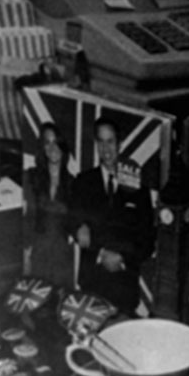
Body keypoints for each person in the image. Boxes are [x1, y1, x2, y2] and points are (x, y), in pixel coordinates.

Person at [69, 117, 155, 317]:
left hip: (124, 286)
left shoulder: (139, 188)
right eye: (101, 142)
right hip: (92, 283)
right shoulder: (83, 181)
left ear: (119, 144)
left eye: (110, 142)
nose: (105, 149)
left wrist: (122, 258)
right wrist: (79, 226)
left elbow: (148, 240)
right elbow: (69, 220)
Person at [23, 122, 76, 290]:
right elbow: (26, 216)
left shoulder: (74, 183)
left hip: (62, 256)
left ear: (63, 146)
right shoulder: (30, 177)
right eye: (47, 142)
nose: (52, 148)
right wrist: (25, 253)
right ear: (42, 147)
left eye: (56, 142)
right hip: (36, 251)